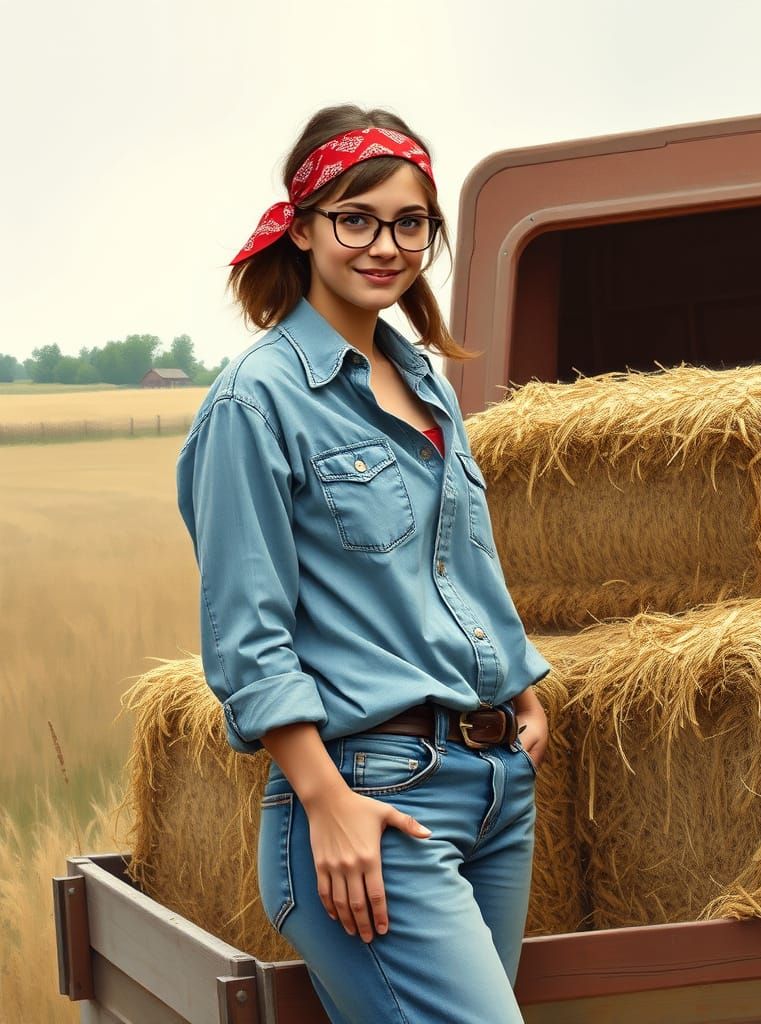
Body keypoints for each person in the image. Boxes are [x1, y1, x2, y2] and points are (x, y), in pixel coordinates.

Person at [176, 104, 551, 1024]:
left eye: (411, 222)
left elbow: (460, 560)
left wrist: (517, 680)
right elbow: (246, 631)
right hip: (371, 797)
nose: (386, 244)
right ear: (302, 227)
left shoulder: (425, 382)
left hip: (496, 788)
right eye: (356, 218)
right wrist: (326, 801)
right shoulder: (256, 402)